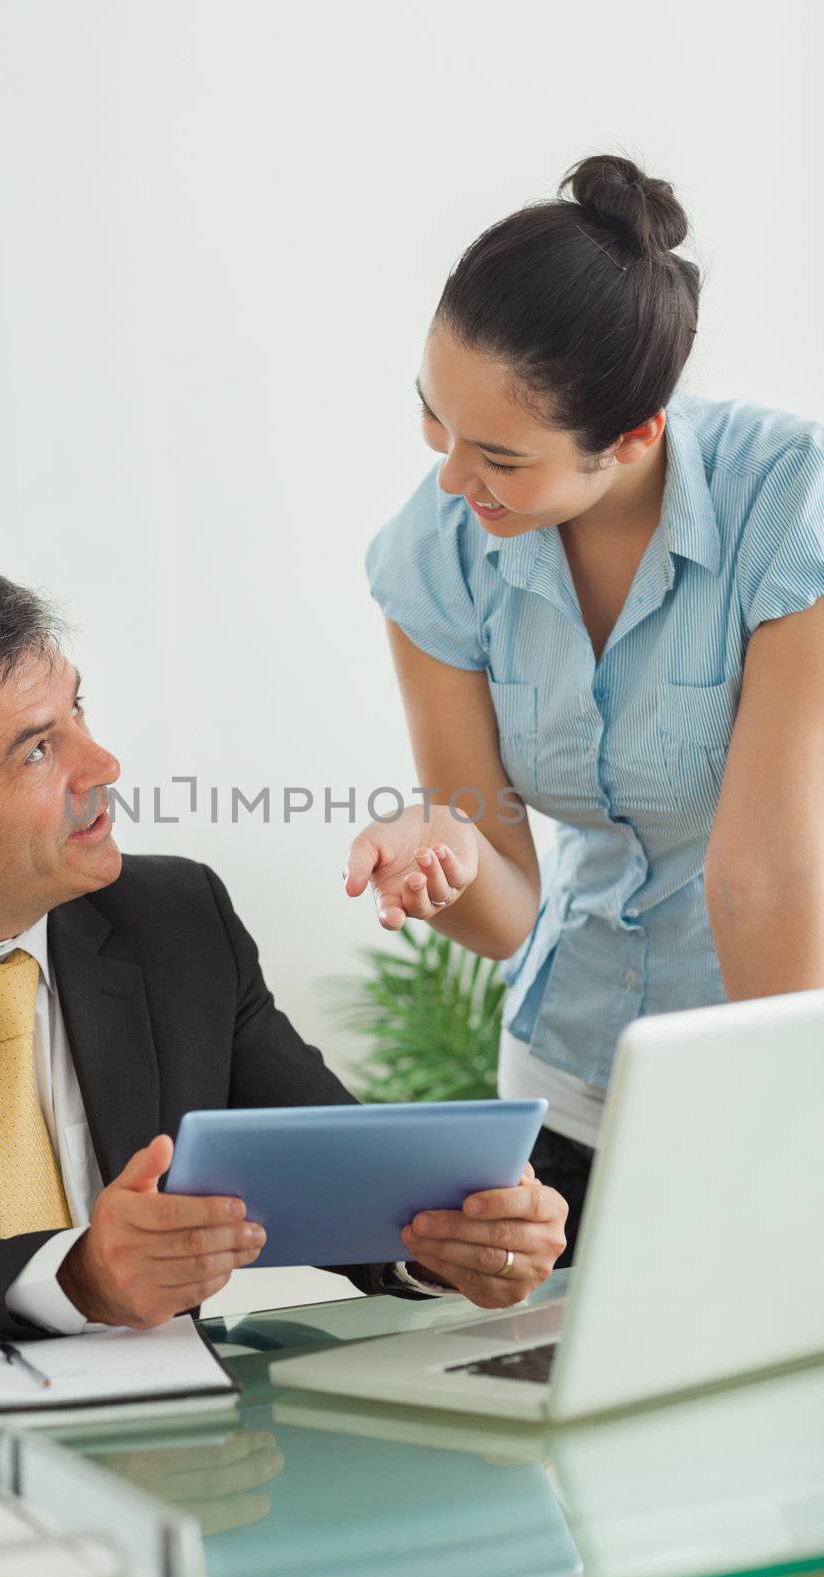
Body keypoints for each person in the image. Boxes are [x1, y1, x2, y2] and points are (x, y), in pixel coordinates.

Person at [0, 568, 567, 1373]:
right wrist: (74, 1279)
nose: (102, 764)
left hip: (172, 1437)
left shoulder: (174, 919)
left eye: (76, 709)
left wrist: (450, 1242)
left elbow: (331, 1177)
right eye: (38, 749)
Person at [345, 152, 824, 1266]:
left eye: (501, 456)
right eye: (435, 422)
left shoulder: (787, 505)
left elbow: (763, 873)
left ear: (635, 435)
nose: (455, 481)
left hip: (767, 1058)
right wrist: (444, 862)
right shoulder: (435, 551)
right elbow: (513, 911)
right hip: (569, 1082)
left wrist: (776, 1138)